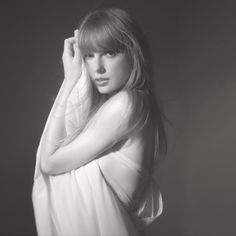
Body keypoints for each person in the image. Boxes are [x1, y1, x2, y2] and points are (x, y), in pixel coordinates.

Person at [32, 7, 167, 236]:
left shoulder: (126, 104)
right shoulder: (131, 104)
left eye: (110, 52)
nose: (97, 68)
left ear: (132, 53)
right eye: (89, 55)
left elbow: (49, 162)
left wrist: (70, 79)